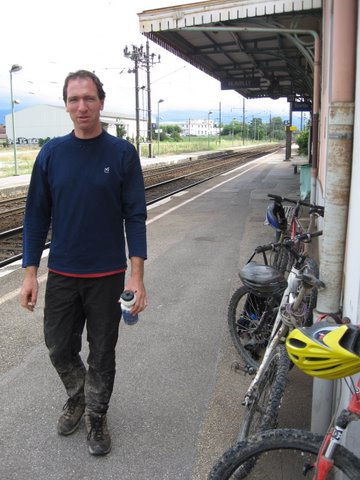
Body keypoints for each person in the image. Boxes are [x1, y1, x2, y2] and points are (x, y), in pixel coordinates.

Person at [20, 69, 148, 456]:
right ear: (66, 105)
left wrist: (136, 277)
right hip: (61, 272)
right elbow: (36, 216)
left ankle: (96, 414)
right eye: (74, 99)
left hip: (108, 276)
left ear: (101, 102)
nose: (82, 106)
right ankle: (78, 395)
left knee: (103, 352)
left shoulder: (122, 154)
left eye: (88, 98)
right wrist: (30, 274)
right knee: (58, 346)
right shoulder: (51, 154)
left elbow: (135, 215)